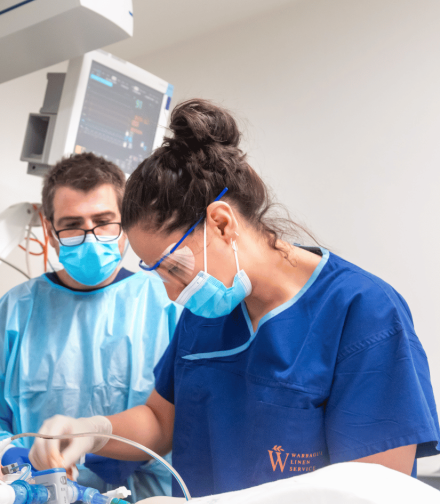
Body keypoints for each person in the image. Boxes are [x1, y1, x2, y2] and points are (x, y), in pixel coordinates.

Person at [29, 99, 440, 498]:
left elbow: (375, 490)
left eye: (173, 266)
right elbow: (160, 420)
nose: (172, 293)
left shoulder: (363, 312)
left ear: (222, 223)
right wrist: (93, 431)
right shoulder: (206, 312)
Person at [0, 153, 182, 500]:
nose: (91, 236)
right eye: (73, 224)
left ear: (126, 220)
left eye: (104, 221)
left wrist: (123, 451)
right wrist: (10, 456)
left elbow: (189, 413)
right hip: (39, 494)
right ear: (50, 229)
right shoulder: (16, 312)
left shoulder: (166, 303)